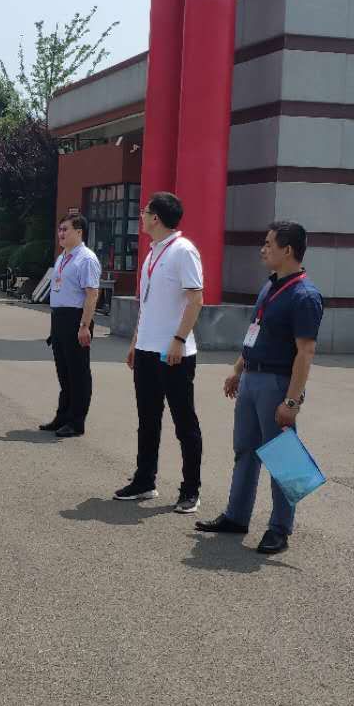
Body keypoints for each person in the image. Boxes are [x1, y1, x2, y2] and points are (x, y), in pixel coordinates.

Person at [195, 221, 323, 555]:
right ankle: (236, 516)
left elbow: (306, 352)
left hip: (277, 383)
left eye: (268, 244)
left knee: (282, 456)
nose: (263, 250)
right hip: (253, 378)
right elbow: (256, 332)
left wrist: (291, 401)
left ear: (288, 250)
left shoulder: (304, 295)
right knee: (245, 450)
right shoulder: (270, 286)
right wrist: (239, 370)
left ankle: (280, 529)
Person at [114, 192, 204, 511]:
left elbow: (196, 300)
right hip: (147, 350)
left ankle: (190, 490)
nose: (141, 216)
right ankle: (144, 481)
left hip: (174, 352)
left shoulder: (183, 251)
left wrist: (178, 339)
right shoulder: (153, 252)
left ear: (156, 218)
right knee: (147, 420)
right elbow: (148, 304)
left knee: (184, 422)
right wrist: (136, 342)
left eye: (144, 212)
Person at [41, 214, 101, 438]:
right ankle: (63, 415)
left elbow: (92, 294)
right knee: (64, 371)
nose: (61, 233)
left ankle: (76, 421)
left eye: (65, 229)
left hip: (76, 318)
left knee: (78, 372)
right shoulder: (63, 257)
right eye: (60, 230)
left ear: (79, 232)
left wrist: (84, 325)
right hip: (59, 319)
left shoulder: (86, 259)